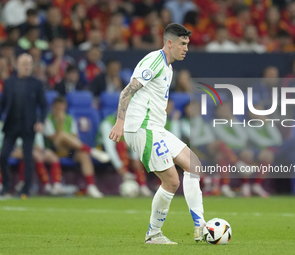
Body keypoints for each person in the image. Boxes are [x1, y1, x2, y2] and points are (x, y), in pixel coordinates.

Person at [109, 23, 205, 244]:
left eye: (187, 44)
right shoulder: (154, 61)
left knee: (194, 165)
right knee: (172, 181)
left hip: (156, 128)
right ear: (169, 43)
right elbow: (128, 90)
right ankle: (153, 235)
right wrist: (120, 122)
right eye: (182, 43)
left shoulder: (169, 67)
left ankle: (200, 225)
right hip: (142, 128)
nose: (186, 48)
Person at [0, 53, 47, 198]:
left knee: (27, 158)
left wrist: (41, 121)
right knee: (3, 155)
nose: (26, 67)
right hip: (11, 125)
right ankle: (6, 186)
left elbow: (44, 105)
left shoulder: (37, 83)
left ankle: (26, 188)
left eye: (29, 64)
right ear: (17, 65)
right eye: (23, 64)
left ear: (32, 66)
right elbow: (3, 104)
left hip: (28, 126)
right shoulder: (9, 82)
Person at [44, 96, 110, 198]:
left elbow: (75, 138)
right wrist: (61, 122)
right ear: (53, 107)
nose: (60, 111)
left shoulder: (70, 119)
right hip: (55, 148)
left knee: (83, 155)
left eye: (62, 108)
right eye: (58, 108)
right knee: (62, 134)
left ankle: (91, 187)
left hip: (69, 148)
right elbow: (53, 138)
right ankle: (92, 151)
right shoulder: (48, 119)